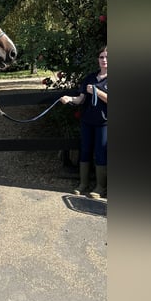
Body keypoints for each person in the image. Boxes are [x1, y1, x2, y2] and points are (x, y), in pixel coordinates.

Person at [59, 47, 108, 198]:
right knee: (85, 150)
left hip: (103, 123)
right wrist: (69, 99)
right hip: (87, 121)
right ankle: (83, 183)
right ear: (97, 59)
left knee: (101, 153)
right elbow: (80, 99)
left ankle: (100, 187)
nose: (104, 60)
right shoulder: (90, 78)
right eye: (101, 57)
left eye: (107, 57)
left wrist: (97, 92)